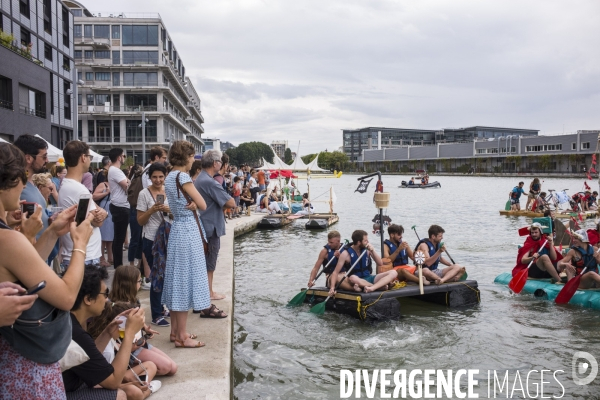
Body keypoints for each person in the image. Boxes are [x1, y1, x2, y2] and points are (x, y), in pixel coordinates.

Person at [0, 142, 95, 398]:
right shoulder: (7, 239)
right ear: (9, 181)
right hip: (26, 363)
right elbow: (65, 297)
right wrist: (80, 245)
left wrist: (52, 232)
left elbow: (25, 273)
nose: (24, 186)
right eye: (22, 178)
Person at [63, 265, 159, 399]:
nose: (107, 299)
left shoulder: (69, 322)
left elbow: (86, 356)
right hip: (62, 393)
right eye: (105, 293)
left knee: (131, 390)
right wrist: (129, 333)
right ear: (88, 299)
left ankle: (146, 390)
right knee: (119, 395)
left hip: (71, 385)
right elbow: (113, 382)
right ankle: (148, 390)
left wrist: (108, 333)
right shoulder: (75, 333)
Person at [163, 140, 211, 348]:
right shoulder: (182, 176)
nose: (193, 160)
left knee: (176, 278)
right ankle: (182, 337)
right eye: (192, 156)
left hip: (176, 230)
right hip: (188, 231)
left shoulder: (169, 176)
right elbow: (202, 204)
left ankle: (175, 331)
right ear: (185, 157)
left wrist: (189, 205)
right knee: (184, 280)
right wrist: (194, 206)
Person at [108, 266, 177, 376]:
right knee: (166, 367)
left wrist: (144, 327)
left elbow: (136, 322)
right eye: (139, 281)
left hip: (140, 343)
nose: (140, 284)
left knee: (172, 368)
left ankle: (135, 368)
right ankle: (124, 372)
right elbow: (110, 339)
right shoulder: (115, 308)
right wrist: (127, 348)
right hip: (129, 350)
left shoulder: (134, 300)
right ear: (129, 283)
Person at [194, 149, 236, 303]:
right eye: (220, 161)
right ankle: (209, 292)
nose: (222, 164)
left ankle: (207, 290)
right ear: (214, 163)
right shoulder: (209, 182)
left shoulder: (200, 178)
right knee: (210, 262)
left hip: (204, 225)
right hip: (210, 226)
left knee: (206, 261)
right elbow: (230, 202)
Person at [59, 141, 108, 270]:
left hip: (79, 253)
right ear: (83, 157)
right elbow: (98, 221)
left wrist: (100, 211)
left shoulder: (67, 184)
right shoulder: (79, 190)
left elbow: (94, 212)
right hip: (86, 255)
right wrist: (104, 213)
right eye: (89, 157)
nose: (90, 161)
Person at [137, 162, 171, 327]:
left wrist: (169, 210)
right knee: (157, 275)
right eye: (154, 177)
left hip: (168, 238)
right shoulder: (144, 194)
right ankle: (156, 313)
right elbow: (140, 220)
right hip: (150, 239)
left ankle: (162, 307)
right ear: (149, 177)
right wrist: (153, 210)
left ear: (165, 176)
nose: (158, 180)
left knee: (167, 275)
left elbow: (176, 215)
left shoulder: (170, 192)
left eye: (161, 177)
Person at [329, 230, 398, 294]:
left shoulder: (367, 250)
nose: (367, 242)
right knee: (352, 278)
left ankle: (373, 287)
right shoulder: (345, 254)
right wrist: (332, 288)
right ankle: (378, 287)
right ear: (359, 242)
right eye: (365, 241)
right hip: (356, 280)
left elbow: (380, 263)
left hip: (369, 277)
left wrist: (373, 251)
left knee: (393, 272)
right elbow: (335, 272)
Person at [13, 134, 50, 241]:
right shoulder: (15, 187)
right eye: (44, 156)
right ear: (28, 158)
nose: (47, 160)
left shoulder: (30, 183)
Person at [108, 148, 130, 269]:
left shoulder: (115, 170)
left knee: (119, 237)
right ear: (119, 157)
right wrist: (128, 181)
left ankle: (118, 263)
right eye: (123, 156)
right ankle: (118, 265)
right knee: (119, 238)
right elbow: (127, 186)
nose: (124, 158)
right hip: (120, 206)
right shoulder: (115, 171)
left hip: (120, 205)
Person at [93, 171, 114, 267]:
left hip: (112, 211)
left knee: (110, 235)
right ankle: (102, 259)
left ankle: (110, 257)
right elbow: (94, 196)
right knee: (103, 235)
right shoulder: (103, 184)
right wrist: (106, 193)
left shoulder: (115, 184)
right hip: (104, 209)